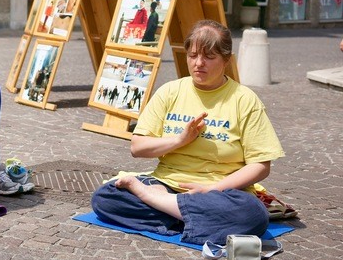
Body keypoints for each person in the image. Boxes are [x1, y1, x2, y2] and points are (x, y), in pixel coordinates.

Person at [91, 20, 284, 245]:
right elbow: (137, 147)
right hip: (165, 184)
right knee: (105, 198)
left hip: (220, 192)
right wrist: (179, 140)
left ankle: (163, 206)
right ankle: (189, 216)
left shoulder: (244, 100)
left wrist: (212, 188)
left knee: (252, 215)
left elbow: (261, 165)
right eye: (192, 55)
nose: (198, 63)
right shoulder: (170, 91)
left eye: (209, 57)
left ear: (227, 60)